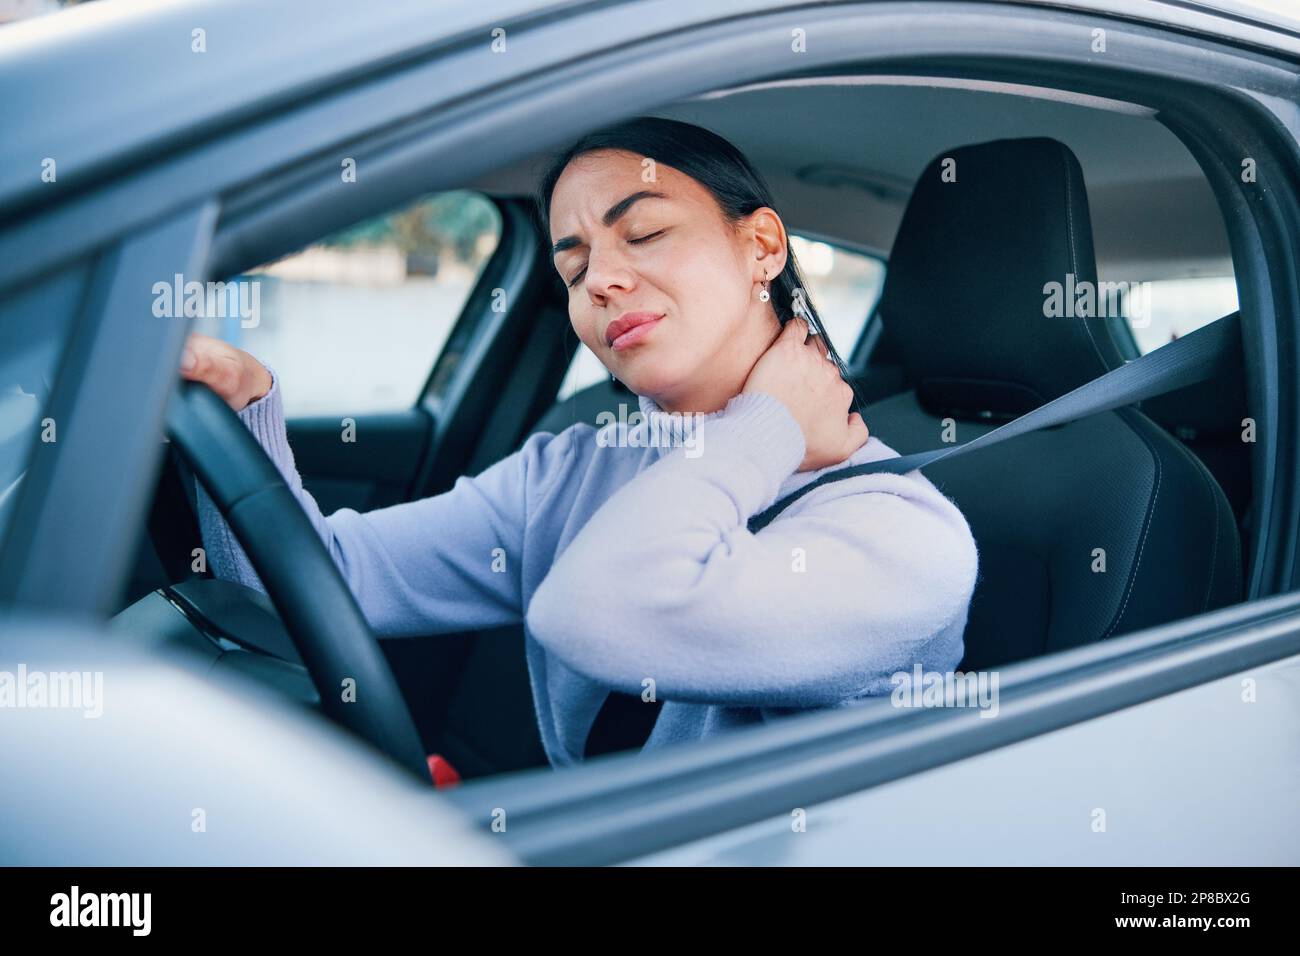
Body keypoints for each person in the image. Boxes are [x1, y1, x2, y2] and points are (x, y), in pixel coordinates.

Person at [182, 116, 980, 769]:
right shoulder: (570, 467)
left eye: (645, 233)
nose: (600, 279)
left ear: (763, 247)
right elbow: (296, 582)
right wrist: (247, 404)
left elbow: (599, 613)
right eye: (574, 269)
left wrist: (766, 424)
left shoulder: (905, 536)